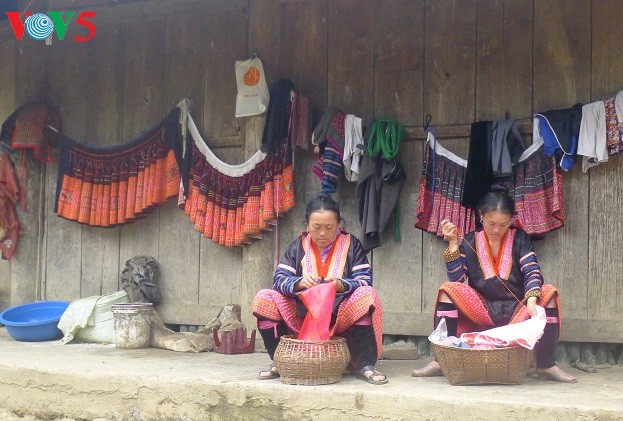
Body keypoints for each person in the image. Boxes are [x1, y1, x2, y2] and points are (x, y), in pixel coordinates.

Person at [412, 189, 577, 383]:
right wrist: (453, 244)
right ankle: (441, 361)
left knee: (549, 291)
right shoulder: (471, 239)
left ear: (510, 221)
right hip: (482, 309)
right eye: (491, 223)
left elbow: (532, 271)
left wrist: (532, 300)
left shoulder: (520, 239)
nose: (497, 229)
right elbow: (457, 278)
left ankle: (547, 365)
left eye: (503, 224)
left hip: (518, 311)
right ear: (481, 216)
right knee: (447, 290)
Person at [252, 193, 387, 384]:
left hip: (340, 314)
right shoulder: (297, 246)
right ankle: (280, 361)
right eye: (316, 228)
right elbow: (279, 280)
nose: (322, 233)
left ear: (339, 224)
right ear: (307, 225)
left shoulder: (352, 245)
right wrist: (298, 283)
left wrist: (341, 284)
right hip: (302, 316)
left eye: (329, 227)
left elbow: (364, 280)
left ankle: (364, 364)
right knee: (264, 298)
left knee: (366, 295)